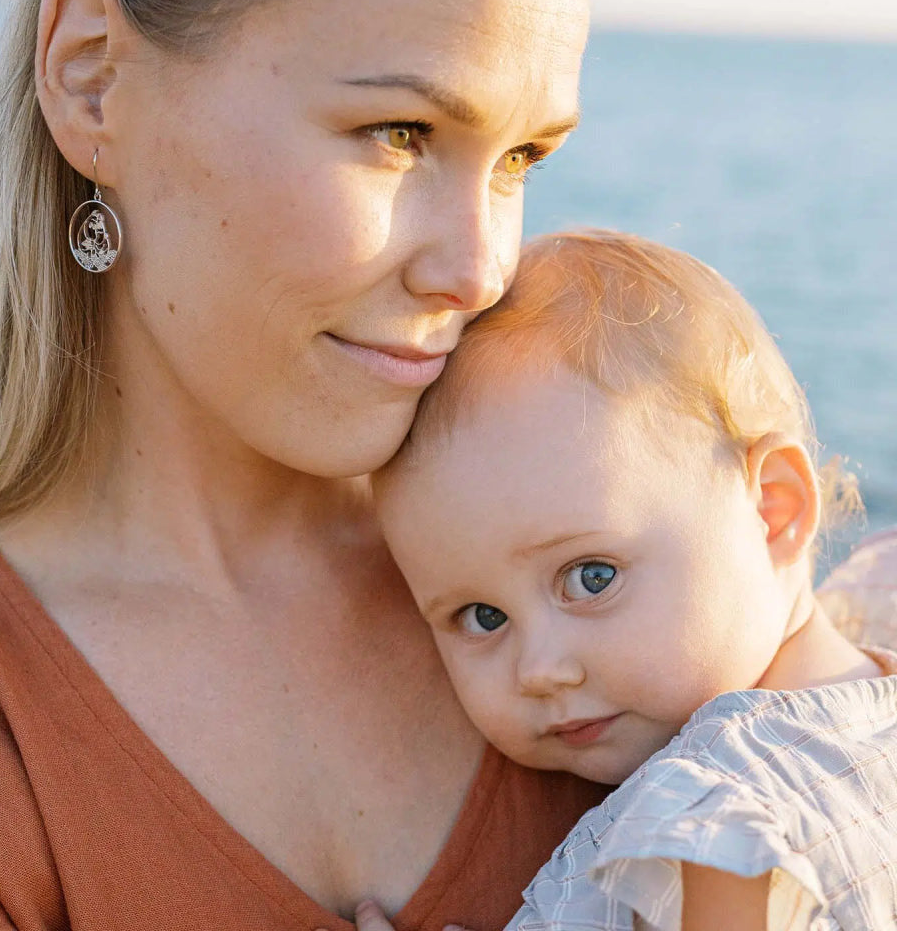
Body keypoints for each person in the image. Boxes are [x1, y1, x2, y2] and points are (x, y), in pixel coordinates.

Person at [0, 0, 597, 929]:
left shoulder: (613, 568)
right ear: (91, 76)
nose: (480, 270)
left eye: (521, 157)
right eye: (399, 132)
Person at [368, 231, 897, 930]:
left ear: (773, 509)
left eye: (591, 578)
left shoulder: (711, 820)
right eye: (481, 617)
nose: (540, 670)